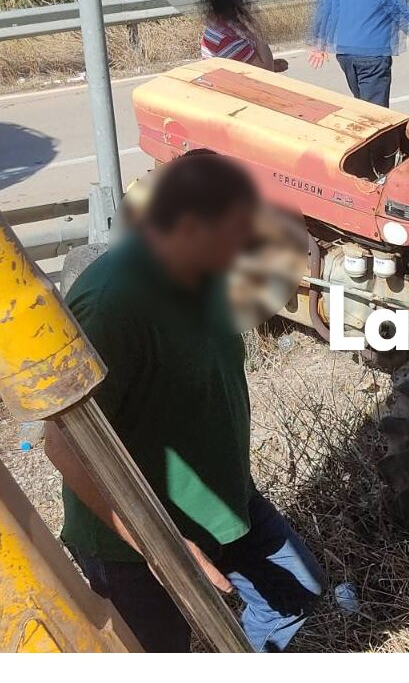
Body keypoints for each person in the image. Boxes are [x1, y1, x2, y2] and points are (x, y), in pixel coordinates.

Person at [45, 152, 326, 652]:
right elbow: (63, 445)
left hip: (226, 505)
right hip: (136, 542)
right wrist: (160, 546)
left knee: (295, 592)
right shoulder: (112, 304)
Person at [200, 0, 288, 72]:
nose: (250, 4)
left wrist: (271, 63)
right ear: (234, 6)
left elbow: (242, 64)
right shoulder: (226, 39)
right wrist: (257, 31)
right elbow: (266, 70)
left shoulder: (220, 26)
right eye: (244, 0)